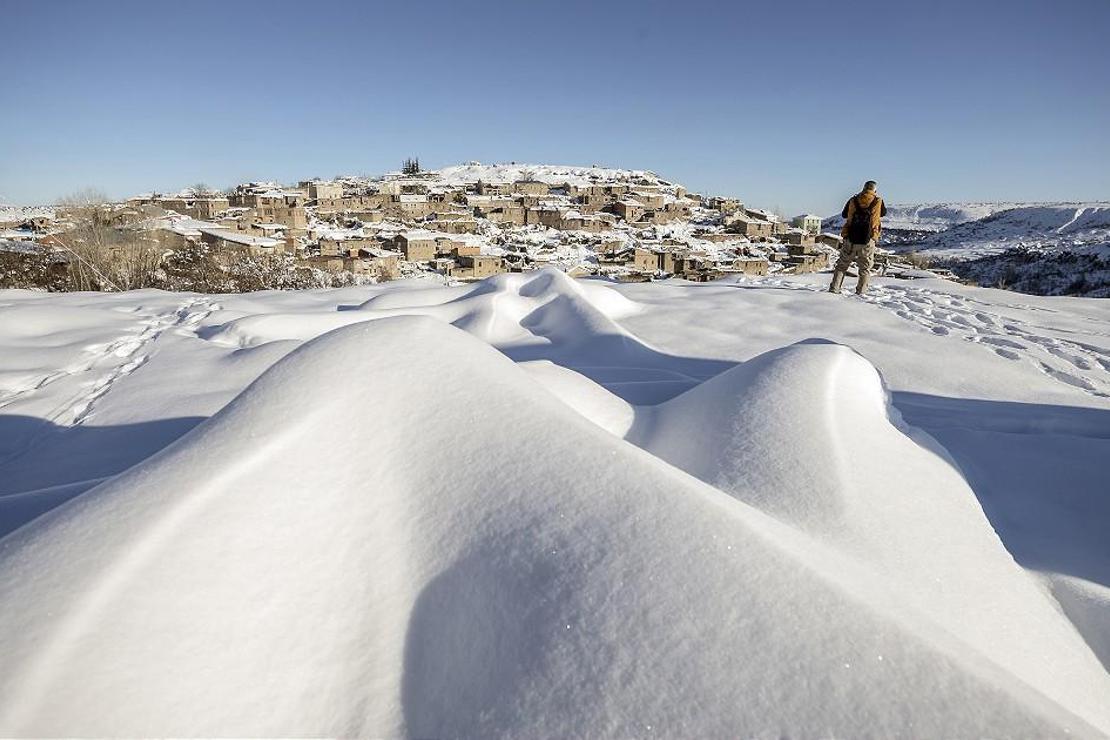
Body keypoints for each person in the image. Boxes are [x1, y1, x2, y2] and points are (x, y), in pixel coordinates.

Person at [830, 180, 887, 295]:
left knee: (842, 266)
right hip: (868, 238)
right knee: (865, 268)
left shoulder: (853, 200)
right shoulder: (878, 201)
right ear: (874, 190)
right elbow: (883, 213)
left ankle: (834, 289)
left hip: (850, 237)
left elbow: (844, 215)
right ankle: (861, 292)